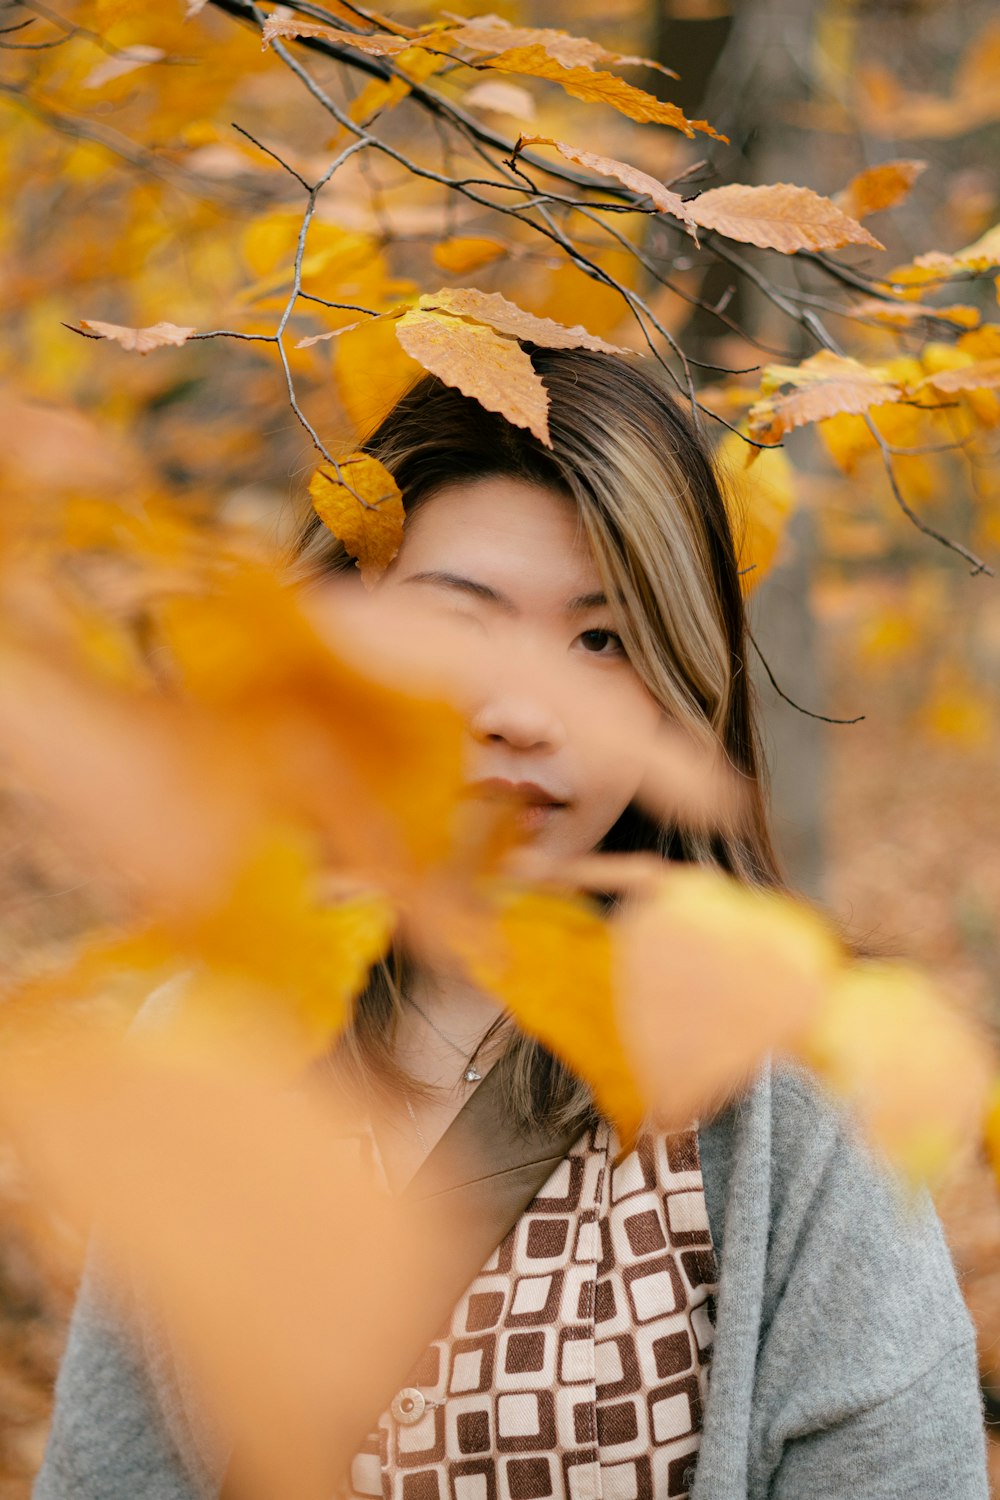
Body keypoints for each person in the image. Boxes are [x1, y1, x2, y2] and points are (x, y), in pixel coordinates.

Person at [34, 347, 988, 1499]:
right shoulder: (214, 1037)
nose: (526, 713)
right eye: (461, 627)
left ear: (674, 684)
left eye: (602, 641)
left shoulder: (778, 1084)